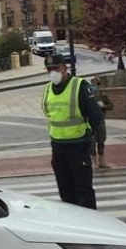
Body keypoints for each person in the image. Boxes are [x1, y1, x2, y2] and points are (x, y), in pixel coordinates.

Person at [41, 53, 102, 209]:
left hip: (78, 145)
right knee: (65, 191)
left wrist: (88, 135)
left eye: (56, 68)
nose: (52, 72)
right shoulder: (48, 89)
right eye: (49, 69)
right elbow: (48, 112)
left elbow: (96, 115)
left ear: (65, 68)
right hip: (58, 146)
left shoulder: (79, 86)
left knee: (83, 190)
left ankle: (91, 225)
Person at [88, 76, 115, 169]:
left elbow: (111, 106)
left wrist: (103, 106)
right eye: (93, 84)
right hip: (91, 122)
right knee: (92, 142)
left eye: (97, 84)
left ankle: (102, 161)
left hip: (101, 121)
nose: (95, 86)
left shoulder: (103, 96)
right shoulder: (88, 96)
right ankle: (94, 162)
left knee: (101, 140)